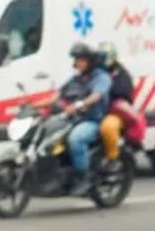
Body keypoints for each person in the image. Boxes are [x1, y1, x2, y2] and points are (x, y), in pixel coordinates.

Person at [58, 42, 112, 186]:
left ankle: (83, 176)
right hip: (72, 119)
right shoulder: (75, 79)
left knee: (76, 139)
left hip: (93, 121)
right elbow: (56, 95)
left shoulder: (102, 77)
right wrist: (31, 104)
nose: (78, 63)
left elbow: (96, 96)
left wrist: (80, 104)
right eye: (76, 60)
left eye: (81, 60)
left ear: (90, 62)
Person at [96, 42, 146, 163]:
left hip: (111, 112)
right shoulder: (94, 72)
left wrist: (105, 94)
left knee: (108, 128)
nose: (100, 61)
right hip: (92, 111)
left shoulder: (120, 74)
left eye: (103, 57)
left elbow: (123, 94)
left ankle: (112, 159)